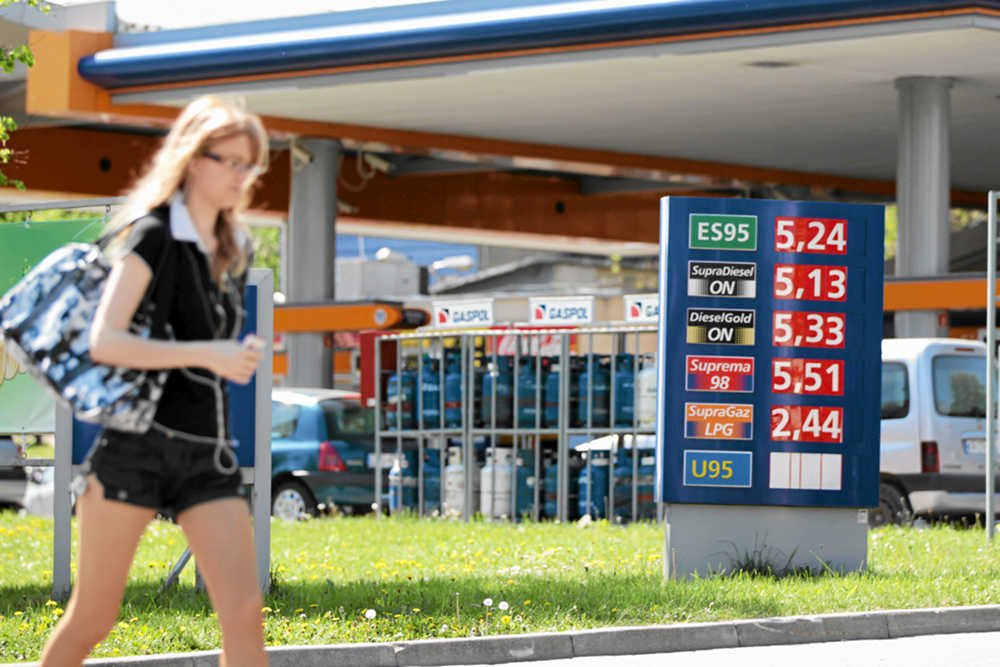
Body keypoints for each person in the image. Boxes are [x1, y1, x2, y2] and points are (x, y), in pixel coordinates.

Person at [39, 95, 269, 667]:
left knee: (244, 612)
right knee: (94, 617)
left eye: (250, 165)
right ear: (193, 159)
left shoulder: (231, 248)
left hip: (206, 455)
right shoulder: (154, 236)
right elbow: (105, 341)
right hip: (135, 452)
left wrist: (229, 356)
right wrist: (209, 354)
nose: (241, 176)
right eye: (230, 162)